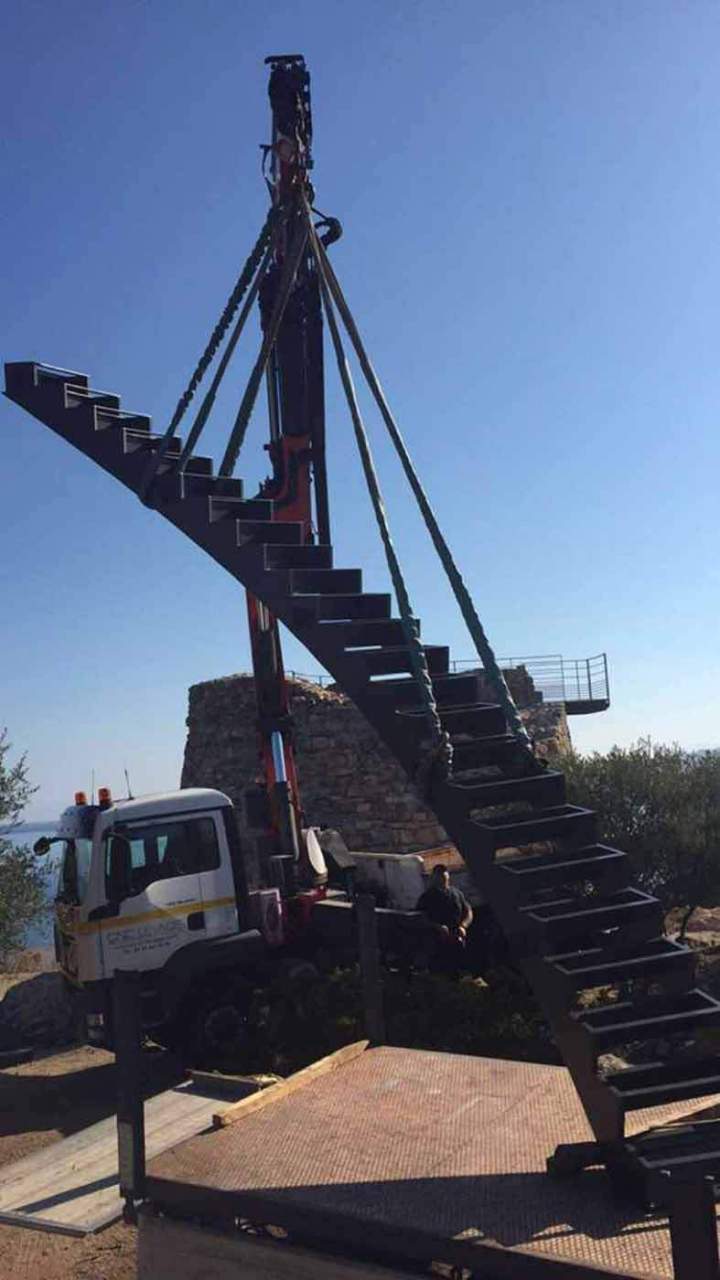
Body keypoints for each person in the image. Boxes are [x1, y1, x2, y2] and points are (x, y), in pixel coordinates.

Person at [416, 865, 473, 971]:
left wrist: (463, 926)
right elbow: (420, 917)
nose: (442, 880)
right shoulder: (427, 897)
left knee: (461, 967)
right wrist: (437, 927)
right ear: (434, 878)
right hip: (438, 941)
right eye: (439, 878)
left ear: (448, 877)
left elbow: (468, 911)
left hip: (457, 938)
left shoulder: (457, 893)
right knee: (442, 969)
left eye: (444, 878)